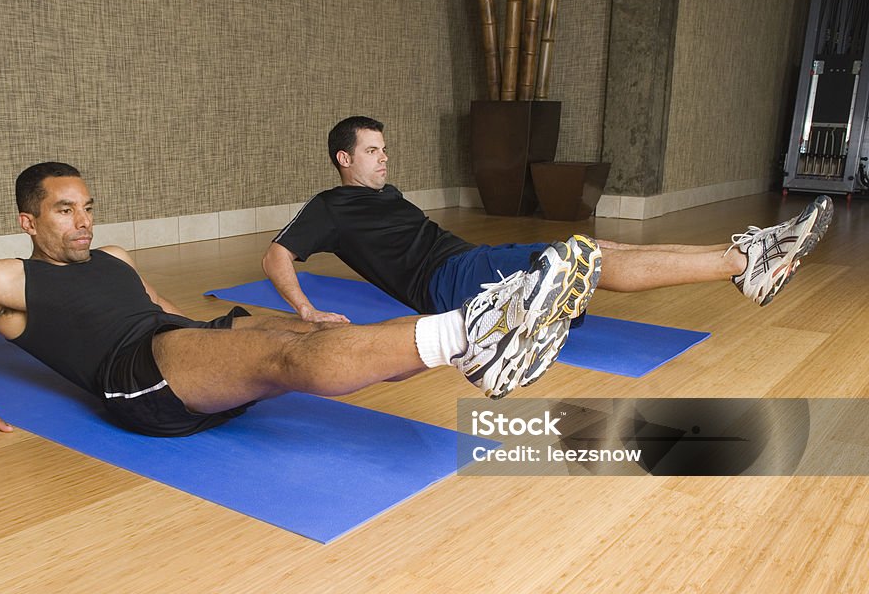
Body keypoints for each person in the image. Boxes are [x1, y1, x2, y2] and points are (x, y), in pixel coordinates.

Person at [0, 162, 598, 454]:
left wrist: (251, 324)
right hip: (137, 380)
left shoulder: (116, 256)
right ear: (27, 221)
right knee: (289, 356)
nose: (82, 222)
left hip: (176, 344)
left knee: (321, 334)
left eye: (88, 208)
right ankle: (478, 325)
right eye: (64, 210)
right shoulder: (3, 279)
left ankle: (478, 348)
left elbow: (164, 309)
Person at [263, 116, 834, 377]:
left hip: (465, 261)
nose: (383, 158)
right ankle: (742, 261)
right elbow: (276, 255)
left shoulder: (388, 195)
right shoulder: (329, 207)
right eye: (371, 151)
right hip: (451, 279)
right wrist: (308, 311)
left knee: (593, 245)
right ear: (344, 158)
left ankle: (743, 255)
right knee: (593, 260)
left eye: (384, 149)